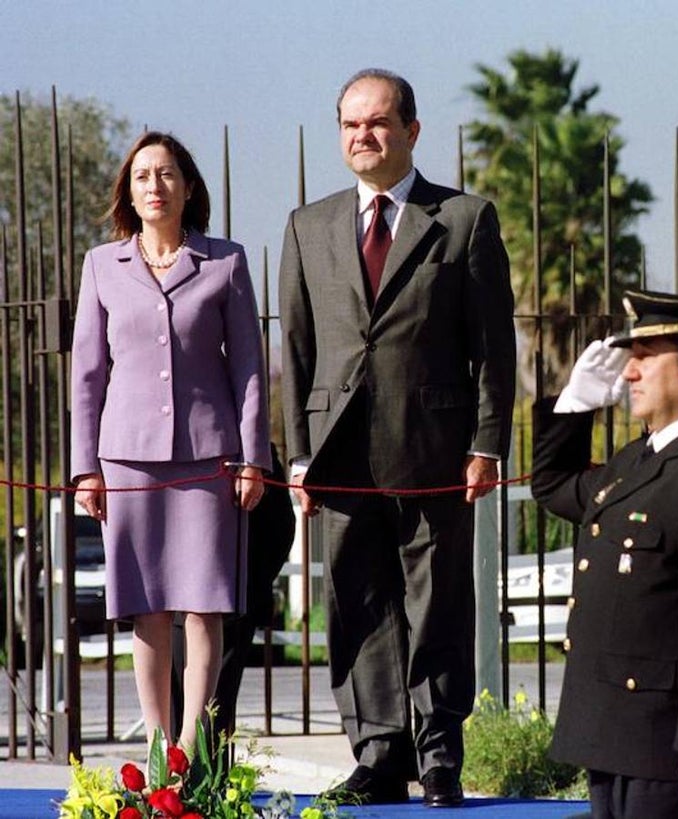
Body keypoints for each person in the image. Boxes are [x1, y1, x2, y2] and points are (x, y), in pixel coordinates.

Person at [278, 68, 516, 807]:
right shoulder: (307, 226)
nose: (363, 136)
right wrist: (296, 454)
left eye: (377, 122)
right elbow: (295, 347)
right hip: (340, 454)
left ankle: (439, 752)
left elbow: (493, 346)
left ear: (411, 130)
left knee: (438, 603)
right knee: (359, 604)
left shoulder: (465, 219)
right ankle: (377, 753)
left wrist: (486, 445)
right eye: (351, 124)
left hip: (436, 451)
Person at [70, 131, 270, 753]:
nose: (154, 186)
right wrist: (84, 471)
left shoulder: (225, 261)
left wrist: (253, 457)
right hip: (125, 459)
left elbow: (249, 368)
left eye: (165, 175)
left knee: (202, 602)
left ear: (186, 187)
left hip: (209, 458)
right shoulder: (102, 266)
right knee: (146, 604)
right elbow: (86, 373)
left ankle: (191, 742)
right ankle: (159, 748)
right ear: (128, 192)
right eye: (141, 176)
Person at [531, 290, 678, 819]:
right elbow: (554, 486)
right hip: (611, 732)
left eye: (645, 357)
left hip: (663, 742)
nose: (629, 373)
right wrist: (575, 403)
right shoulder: (637, 459)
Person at [171, 443, 295, 742]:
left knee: (215, 700)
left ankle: (202, 778)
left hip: (234, 586)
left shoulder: (253, 452)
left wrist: (251, 591)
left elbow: (278, 528)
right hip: (178, 597)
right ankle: (170, 772)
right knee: (176, 688)